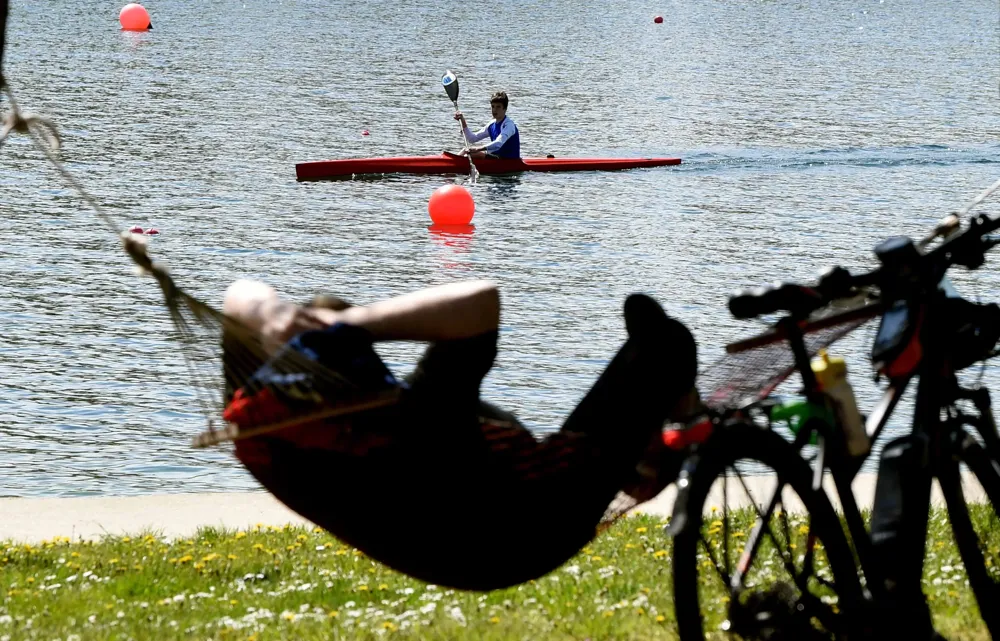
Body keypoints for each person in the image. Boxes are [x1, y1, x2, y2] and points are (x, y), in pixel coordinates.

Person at [221, 279, 698, 590]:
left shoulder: (262, 435)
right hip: (530, 526)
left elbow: (237, 295)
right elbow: (481, 301)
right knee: (665, 344)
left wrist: (271, 316)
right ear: (365, 375)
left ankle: (662, 427)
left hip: (456, 540)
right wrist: (352, 325)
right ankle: (677, 417)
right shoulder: (415, 422)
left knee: (483, 423)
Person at [453, 91, 520, 159]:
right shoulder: (491, 124)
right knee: (466, 149)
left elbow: (498, 143)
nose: (494, 110)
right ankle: (452, 162)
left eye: (498, 107)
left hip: (509, 161)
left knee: (470, 154)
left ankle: (453, 164)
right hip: (496, 158)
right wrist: (462, 121)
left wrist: (478, 149)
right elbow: (472, 139)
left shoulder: (509, 125)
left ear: (505, 109)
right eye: (493, 106)